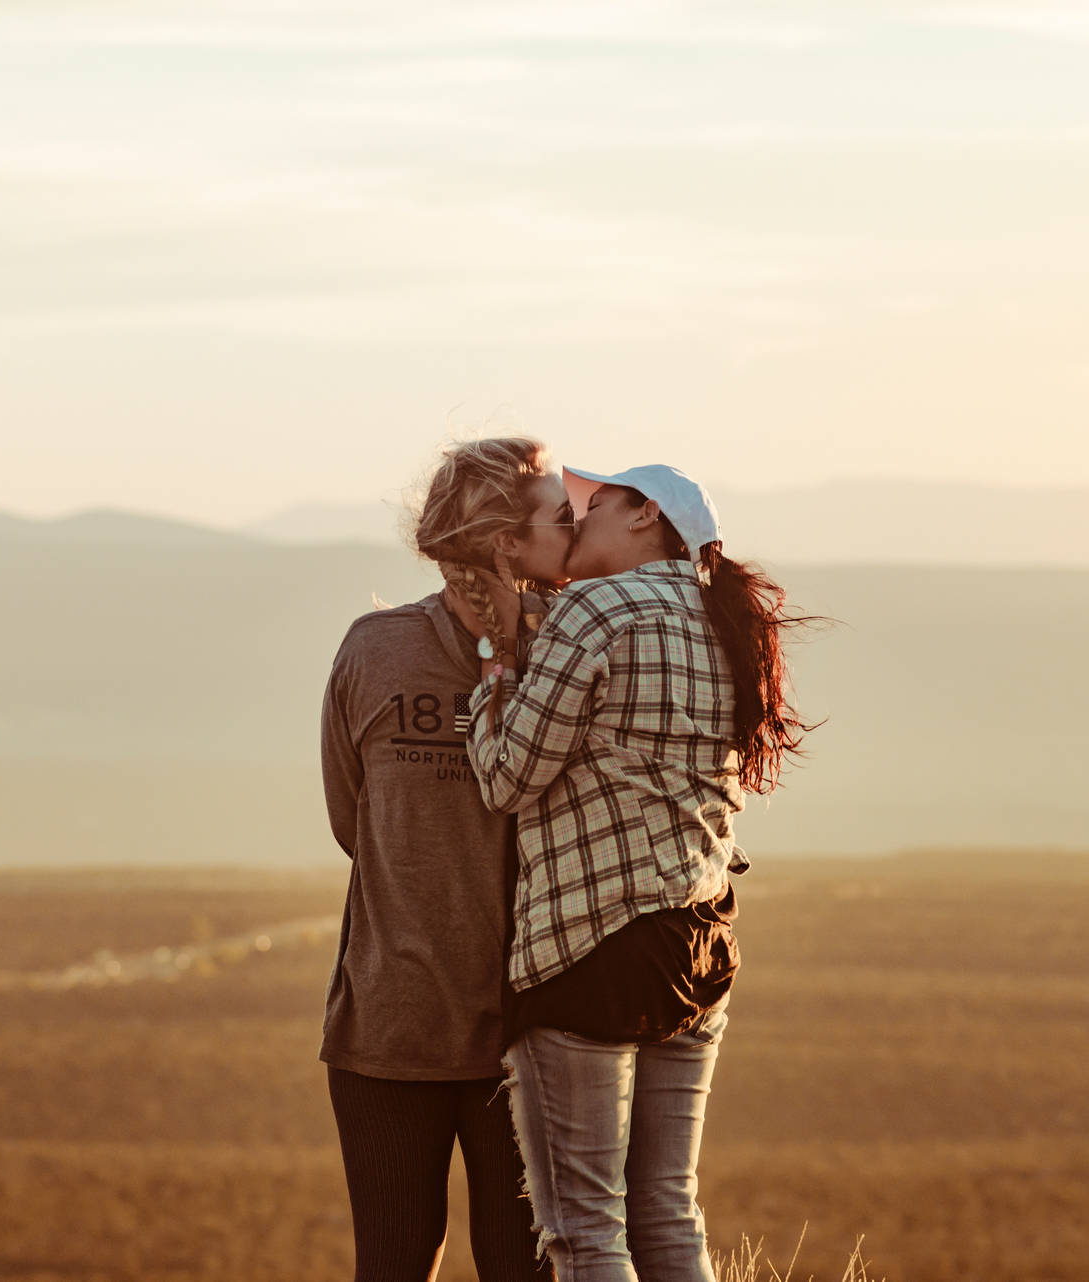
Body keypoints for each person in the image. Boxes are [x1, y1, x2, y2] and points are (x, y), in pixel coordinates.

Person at [455, 463, 817, 1281]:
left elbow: (510, 777)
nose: (577, 521)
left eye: (595, 505)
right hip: (702, 941)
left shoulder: (596, 609)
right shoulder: (727, 621)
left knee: (585, 1228)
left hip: (592, 944)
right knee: (667, 1211)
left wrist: (490, 685)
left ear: (648, 514)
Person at [318, 436, 578, 1282]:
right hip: (389, 1034)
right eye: (559, 516)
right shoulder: (375, 649)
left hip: (532, 1039)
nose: (574, 530)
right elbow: (354, 823)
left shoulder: (573, 654)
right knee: (392, 1264)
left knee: (523, 1269)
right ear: (505, 538)